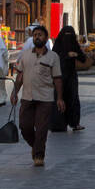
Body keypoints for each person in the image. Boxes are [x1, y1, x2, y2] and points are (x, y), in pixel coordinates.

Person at [11, 24, 65, 167]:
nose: (37, 37)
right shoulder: (26, 55)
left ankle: (39, 155)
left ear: (46, 38)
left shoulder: (53, 57)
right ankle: (36, 146)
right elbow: (20, 76)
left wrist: (59, 98)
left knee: (41, 128)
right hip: (27, 97)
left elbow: (58, 78)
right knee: (24, 126)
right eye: (35, 35)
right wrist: (14, 93)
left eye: (40, 35)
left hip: (45, 98)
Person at [52, 25, 90, 131]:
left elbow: (83, 59)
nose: (67, 39)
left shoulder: (74, 45)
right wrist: (66, 55)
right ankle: (58, 124)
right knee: (59, 98)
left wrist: (76, 54)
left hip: (71, 76)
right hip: (59, 75)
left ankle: (74, 123)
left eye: (70, 36)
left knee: (73, 98)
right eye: (66, 36)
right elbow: (54, 58)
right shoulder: (58, 46)